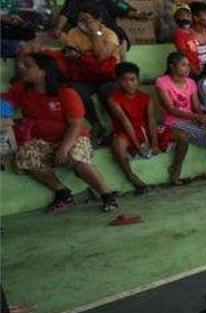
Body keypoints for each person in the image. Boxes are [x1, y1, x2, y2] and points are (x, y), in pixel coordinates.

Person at [3, 52, 118, 212]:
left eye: (28, 66)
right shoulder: (21, 89)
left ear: (44, 71)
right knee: (24, 156)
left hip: (73, 137)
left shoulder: (66, 93)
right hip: (41, 140)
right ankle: (62, 191)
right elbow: (5, 104)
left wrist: (64, 148)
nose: (23, 69)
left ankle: (107, 195)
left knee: (76, 158)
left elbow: (76, 125)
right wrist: (3, 112)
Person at [155, 52, 206, 185]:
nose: (187, 68)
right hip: (173, 122)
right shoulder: (162, 82)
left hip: (191, 119)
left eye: (188, 65)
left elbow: (195, 107)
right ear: (172, 66)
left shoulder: (191, 83)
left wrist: (203, 116)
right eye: (183, 65)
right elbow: (171, 109)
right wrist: (197, 116)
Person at [108, 62, 188, 192]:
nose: (129, 83)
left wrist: (155, 144)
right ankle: (132, 176)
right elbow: (125, 122)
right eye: (124, 80)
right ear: (118, 81)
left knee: (182, 136)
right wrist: (137, 146)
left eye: (132, 80)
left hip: (145, 128)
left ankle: (176, 168)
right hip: (125, 130)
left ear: (138, 80)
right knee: (117, 146)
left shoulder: (146, 98)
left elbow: (151, 120)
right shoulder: (113, 99)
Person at [62, 6, 121, 140]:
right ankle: (96, 125)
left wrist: (95, 33)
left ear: (98, 19)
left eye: (87, 20)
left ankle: (117, 128)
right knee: (75, 91)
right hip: (85, 75)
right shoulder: (73, 33)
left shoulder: (110, 34)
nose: (83, 23)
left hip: (107, 76)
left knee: (108, 91)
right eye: (80, 20)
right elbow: (70, 55)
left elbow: (101, 56)